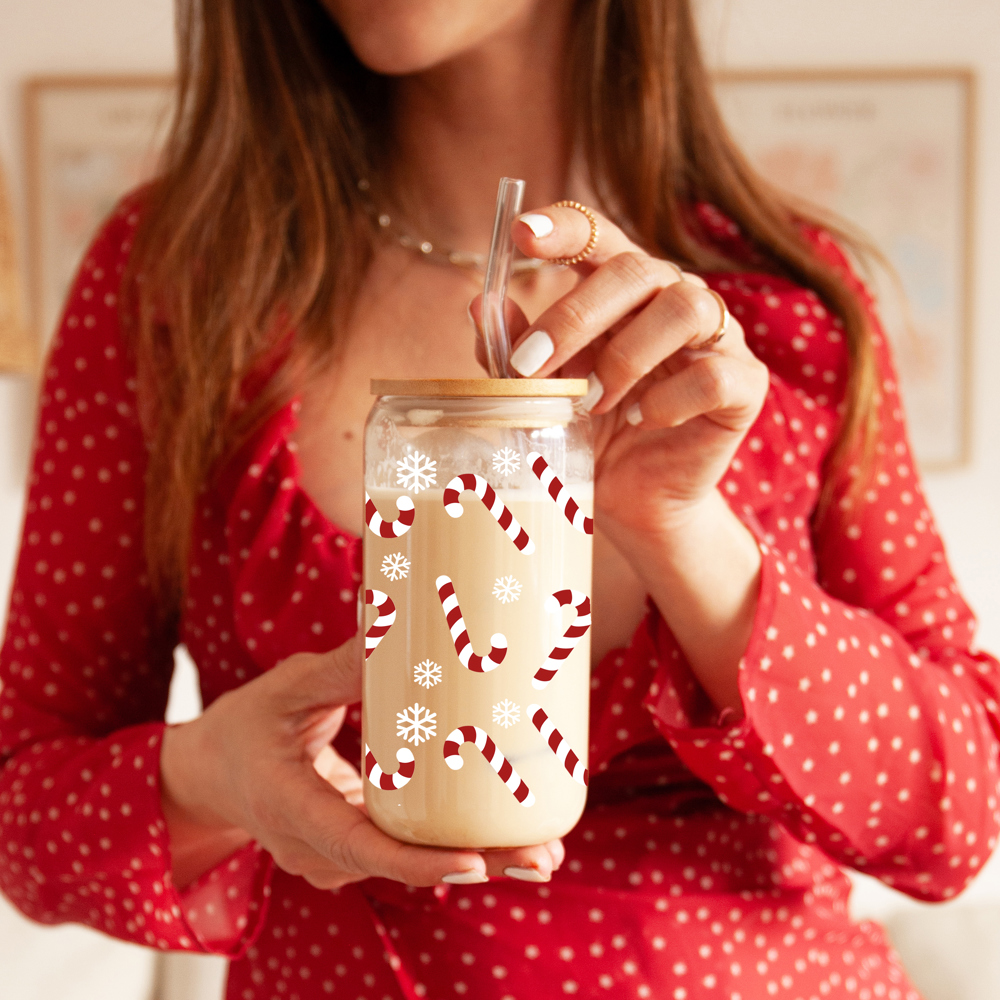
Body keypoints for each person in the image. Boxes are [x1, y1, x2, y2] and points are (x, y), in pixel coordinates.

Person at [1, 2, 997, 998]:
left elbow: (960, 818)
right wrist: (218, 774)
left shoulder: (789, 306)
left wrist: (684, 533)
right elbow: (23, 815)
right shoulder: (178, 287)